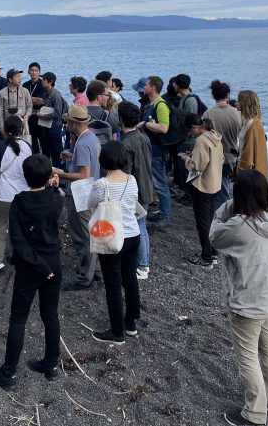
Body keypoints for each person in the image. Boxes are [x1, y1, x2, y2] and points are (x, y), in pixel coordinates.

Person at [210, 169, 268, 426]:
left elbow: (214, 236)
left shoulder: (239, 226)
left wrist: (227, 206)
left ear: (239, 196)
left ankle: (254, 414)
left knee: (247, 356)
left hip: (248, 300)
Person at [0, 154, 63, 390]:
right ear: (49, 176)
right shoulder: (56, 199)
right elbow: (53, 199)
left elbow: (18, 242)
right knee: (51, 315)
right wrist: (52, 187)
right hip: (53, 263)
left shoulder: (20, 202)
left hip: (30, 266)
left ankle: (8, 372)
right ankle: (51, 365)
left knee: (18, 319)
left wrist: (40, 267)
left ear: (25, 176)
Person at [87, 141, 140, 345]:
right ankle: (130, 324)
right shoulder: (131, 180)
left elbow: (90, 203)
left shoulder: (102, 184)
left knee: (113, 283)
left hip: (112, 236)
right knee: (130, 278)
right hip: (133, 234)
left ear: (104, 160)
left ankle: (117, 332)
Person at [52, 105, 101, 291]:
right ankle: (96, 271)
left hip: (82, 193)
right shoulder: (91, 137)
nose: (66, 124)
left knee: (82, 236)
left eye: (68, 121)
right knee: (90, 233)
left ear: (73, 123)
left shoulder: (81, 143)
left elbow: (83, 175)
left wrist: (60, 173)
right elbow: (89, 166)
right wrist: (72, 157)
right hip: (93, 191)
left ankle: (84, 277)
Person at [0, 115, 33, 274]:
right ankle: (17, 256)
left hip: (3, 194)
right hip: (22, 194)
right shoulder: (27, 147)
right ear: (21, 130)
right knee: (18, 227)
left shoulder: (0, 147)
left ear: (4, 129)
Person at [181, 114, 224, 268]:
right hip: (215, 183)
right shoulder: (215, 136)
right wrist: (194, 156)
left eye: (190, 131)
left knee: (203, 223)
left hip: (203, 186)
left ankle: (206, 257)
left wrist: (187, 160)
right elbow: (220, 159)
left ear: (194, 127)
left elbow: (197, 166)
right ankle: (213, 253)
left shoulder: (201, 140)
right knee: (211, 220)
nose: (190, 134)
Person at [118, 102, 154, 280]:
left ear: (121, 119)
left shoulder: (126, 143)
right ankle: (143, 263)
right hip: (146, 185)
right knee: (142, 226)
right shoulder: (143, 136)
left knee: (137, 227)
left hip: (135, 190)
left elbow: (125, 172)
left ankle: (141, 265)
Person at [138, 76, 172, 222]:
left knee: (160, 183)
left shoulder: (161, 105)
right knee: (156, 182)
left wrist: (145, 124)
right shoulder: (152, 104)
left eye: (146, 85)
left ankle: (165, 215)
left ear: (152, 87)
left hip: (157, 151)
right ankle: (163, 212)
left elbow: (164, 128)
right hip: (151, 149)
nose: (144, 87)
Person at [204, 80, 242, 207]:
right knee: (228, 188)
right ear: (228, 95)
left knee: (219, 191)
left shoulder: (208, 114)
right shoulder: (237, 113)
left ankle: (224, 214)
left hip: (215, 157)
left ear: (213, 95)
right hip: (233, 156)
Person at [236, 90, 268, 181]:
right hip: (248, 170)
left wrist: (241, 170)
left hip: (250, 173)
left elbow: (249, 153)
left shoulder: (254, 124)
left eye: (238, 101)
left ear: (245, 103)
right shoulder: (247, 121)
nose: (236, 103)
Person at [40, 72, 68, 169]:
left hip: (55, 127)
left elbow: (57, 114)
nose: (42, 81)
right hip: (48, 126)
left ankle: (62, 171)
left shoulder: (55, 95)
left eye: (44, 80)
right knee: (50, 150)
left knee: (57, 151)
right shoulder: (46, 93)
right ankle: (55, 170)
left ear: (50, 81)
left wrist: (43, 116)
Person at [0, 69, 31, 136]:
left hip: (22, 123)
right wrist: (1, 126)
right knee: (9, 142)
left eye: (20, 76)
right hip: (8, 123)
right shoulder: (1, 93)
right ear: (10, 79)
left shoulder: (25, 91)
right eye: (17, 76)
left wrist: (27, 114)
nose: (20, 78)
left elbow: (29, 105)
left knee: (23, 141)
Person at [24, 62, 48, 154]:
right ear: (28, 72)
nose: (34, 72)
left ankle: (45, 159)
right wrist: (33, 99)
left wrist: (27, 99)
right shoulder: (26, 85)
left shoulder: (42, 84)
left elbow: (41, 101)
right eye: (32, 70)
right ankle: (35, 158)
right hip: (29, 115)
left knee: (43, 141)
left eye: (36, 70)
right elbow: (22, 99)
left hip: (40, 115)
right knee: (32, 140)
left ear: (39, 72)